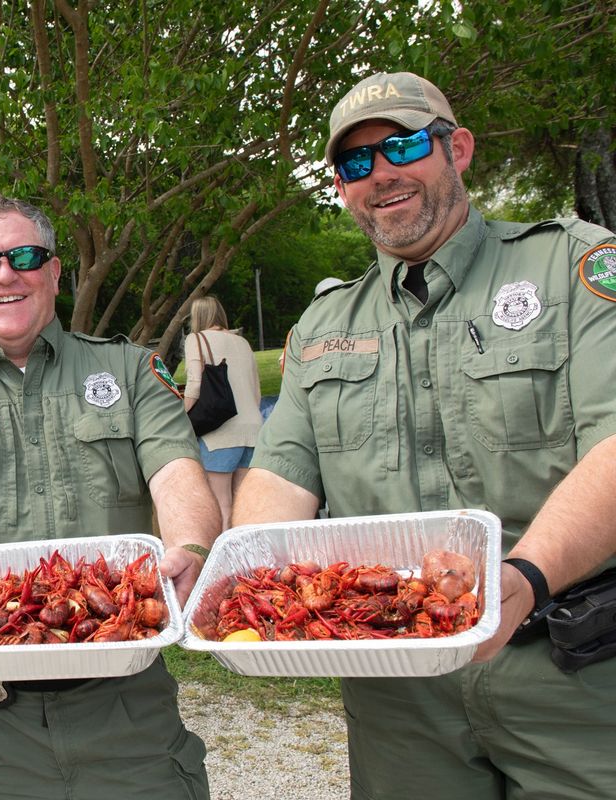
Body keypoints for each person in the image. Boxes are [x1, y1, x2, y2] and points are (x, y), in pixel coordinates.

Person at [232, 71, 616, 799]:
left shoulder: (572, 268)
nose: (380, 175)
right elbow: (281, 475)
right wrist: (255, 582)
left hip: (573, 671)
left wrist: (521, 581)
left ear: (458, 148)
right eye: (354, 164)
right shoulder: (323, 327)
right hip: (397, 692)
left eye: (401, 146)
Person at [0, 192, 218, 800]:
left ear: (55, 271)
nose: (4, 275)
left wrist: (190, 544)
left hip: (126, 698)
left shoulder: (132, 371)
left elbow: (177, 471)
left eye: (24, 256)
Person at [182, 296, 262, 531]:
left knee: (221, 503)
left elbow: (195, 387)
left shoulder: (195, 339)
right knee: (244, 504)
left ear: (196, 316)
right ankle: (248, 561)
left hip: (221, 433)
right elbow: (255, 390)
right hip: (253, 431)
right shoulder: (242, 342)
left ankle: (224, 561)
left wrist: (180, 418)